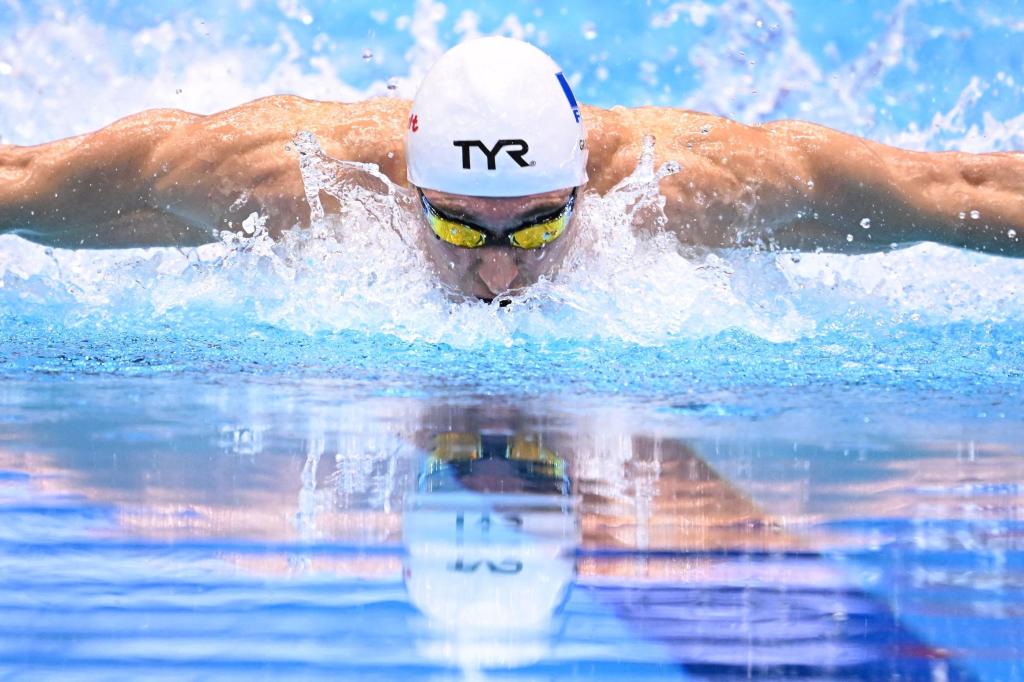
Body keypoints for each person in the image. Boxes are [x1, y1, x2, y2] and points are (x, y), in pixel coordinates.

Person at [1, 36, 1022, 301]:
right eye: (457, 226)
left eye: (539, 226)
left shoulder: (692, 185)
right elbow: (30, 178)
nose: (498, 273)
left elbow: (960, 193)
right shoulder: (293, 175)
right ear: (410, 185)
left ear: (584, 187)